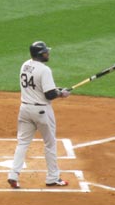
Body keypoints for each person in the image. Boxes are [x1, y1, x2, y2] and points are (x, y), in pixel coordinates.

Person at [7, 41, 71, 189]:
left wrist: (57, 89)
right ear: (40, 54)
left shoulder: (25, 65)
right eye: (45, 52)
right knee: (50, 143)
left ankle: (13, 175)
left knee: (22, 143)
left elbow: (38, 87)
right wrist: (61, 94)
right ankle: (52, 178)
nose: (48, 53)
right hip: (41, 111)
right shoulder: (45, 70)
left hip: (25, 109)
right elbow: (49, 95)